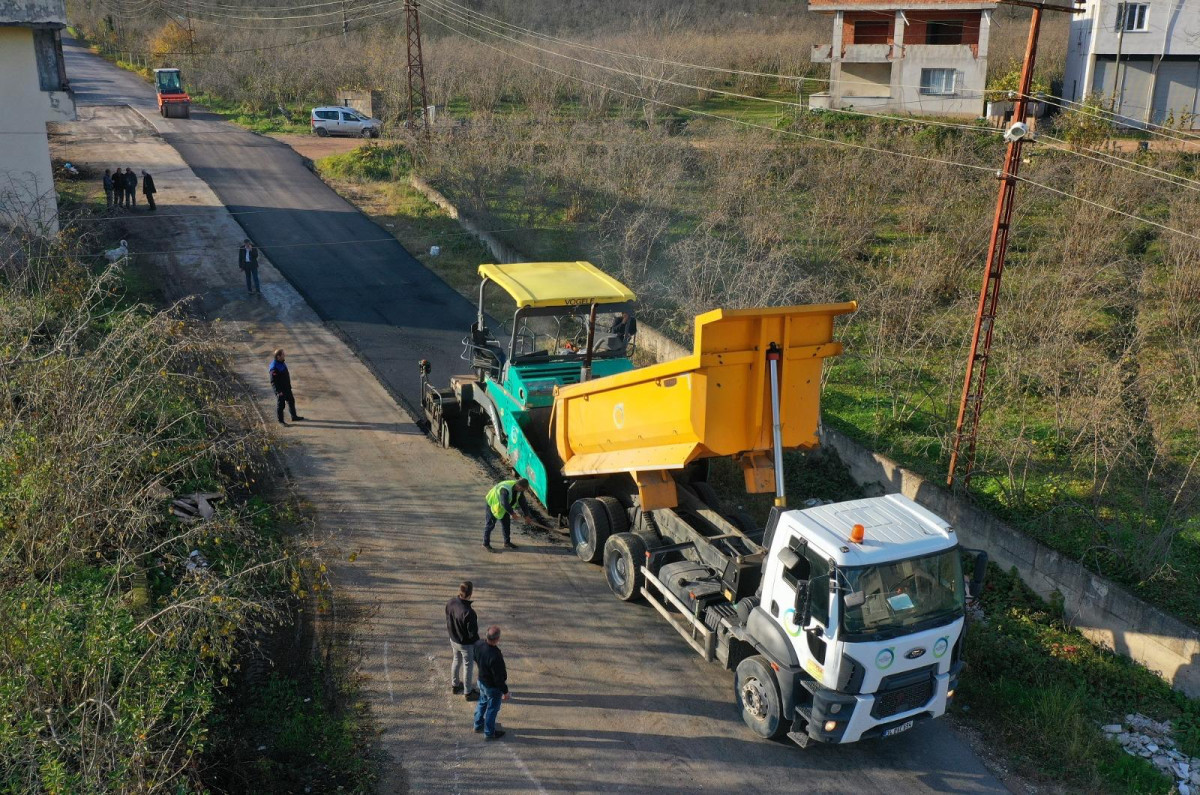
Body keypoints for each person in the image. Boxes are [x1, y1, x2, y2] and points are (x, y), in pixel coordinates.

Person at [472, 625, 510, 740]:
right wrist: (505, 691)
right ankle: (489, 733)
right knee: (492, 709)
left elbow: (475, 657)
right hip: (492, 687)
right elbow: (498, 678)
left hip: (481, 681)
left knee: (482, 702)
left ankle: (477, 724)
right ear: (497, 639)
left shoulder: (478, 644)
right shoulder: (495, 656)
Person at [445, 581, 480, 701]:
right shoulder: (469, 613)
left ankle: (455, 685)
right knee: (468, 666)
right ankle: (468, 692)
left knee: (456, 660)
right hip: (465, 644)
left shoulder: (450, 603)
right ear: (470, 594)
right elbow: (472, 634)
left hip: (453, 639)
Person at [483, 478, 530, 552]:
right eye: (523, 489)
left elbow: (523, 502)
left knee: (506, 524)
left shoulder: (519, 490)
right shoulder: (505, 489)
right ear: (519, 487)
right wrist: (513, 513)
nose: (523, 491)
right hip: (493, 505)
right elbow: (503, 502)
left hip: (505, 507)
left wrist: (527, 515)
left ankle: (507, 542)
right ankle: (486, 544)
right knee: (490, 525)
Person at [269, 348, 305, 425]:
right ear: (278, 356)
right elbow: (273, 382)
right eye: (283, 354)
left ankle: (294, 416)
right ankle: (281, 421)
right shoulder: (274, 367)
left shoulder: (282, 362)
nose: (284, 355)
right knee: (281, 406)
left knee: (291, 401)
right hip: (281, 390)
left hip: (287, 388)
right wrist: (278, 392)